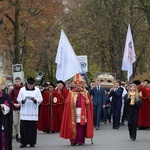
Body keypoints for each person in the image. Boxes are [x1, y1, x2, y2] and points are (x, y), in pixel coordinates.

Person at [60, 73, 94, 146]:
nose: (78, 86)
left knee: (81, 126)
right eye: (77, 85)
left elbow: (89, 103)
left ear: (82, 85)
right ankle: (73, 141)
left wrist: (87, 102)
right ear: (75, 85)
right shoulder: (71, 93)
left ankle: (80, 141)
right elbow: (67, 103)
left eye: (79, 85)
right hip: (73, 112)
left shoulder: (85, 93)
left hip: (82, 111)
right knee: (72, 126)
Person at [17, 77, 43, 148]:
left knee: (32, 128)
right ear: (27, 83)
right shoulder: (22, 90)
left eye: (32, 85)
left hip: (32, 112)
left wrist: (35, 100)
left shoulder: (37, 90)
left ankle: (32, 142)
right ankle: (23, 143)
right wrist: (23, 100)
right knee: (23, 128)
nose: (30, 86)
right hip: (24, 112)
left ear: (34, 84)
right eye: (29, 85)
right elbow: (18, 98)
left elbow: (40, 99)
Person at [0, 76, 13, 150]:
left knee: (3, 138)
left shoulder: (5, 96)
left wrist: (2, 106)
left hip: (3, 121)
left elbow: (7, 109)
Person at [9, 77, 23, 143]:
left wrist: (20, 104)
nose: (17, 82)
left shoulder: (23, 89)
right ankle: (17, 133)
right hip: (14, 108)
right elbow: (10, 99)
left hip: (21, 108)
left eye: (18, 81)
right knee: (15, 122)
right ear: (15, 82)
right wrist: (13, 104)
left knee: (20, 123)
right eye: (16, 81)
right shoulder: (13, 90)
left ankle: (20, 135)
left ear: (20, 81)